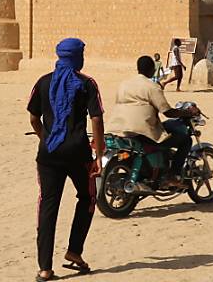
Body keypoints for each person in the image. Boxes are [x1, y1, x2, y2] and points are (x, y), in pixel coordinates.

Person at [27, 38, 104, 281]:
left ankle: (45, 268)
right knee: (88, 197)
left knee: (48, 207)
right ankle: (74, 250)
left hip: (48, 154)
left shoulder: (43, 82)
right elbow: (97, 119)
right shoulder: (87, 84)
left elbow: (33, 118)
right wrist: (99, 154)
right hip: (78, 153)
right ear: (78, 57)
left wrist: (46, 138)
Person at [107, 55, 200, 191]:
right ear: (152, 70)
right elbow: (167, 111)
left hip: (118, 128)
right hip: (142, 130)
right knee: (185, 141)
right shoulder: (152, 86)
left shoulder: (124, 84)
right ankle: (172, 175)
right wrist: (187, 113)